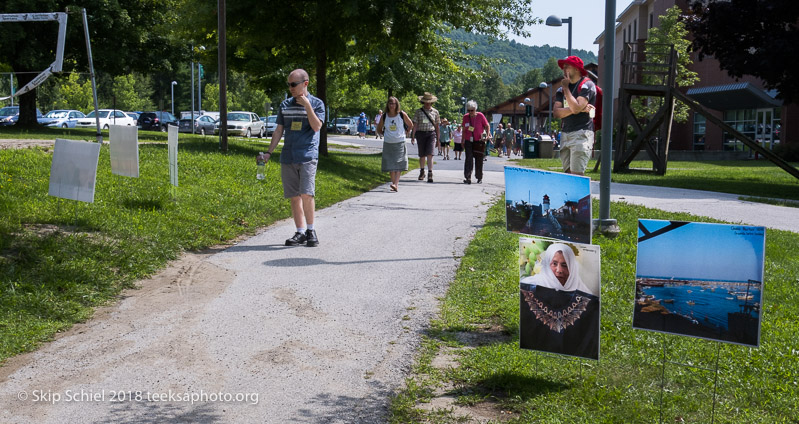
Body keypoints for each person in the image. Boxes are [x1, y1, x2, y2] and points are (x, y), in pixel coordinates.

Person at [260, 69, 325, 247]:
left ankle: (311, 230)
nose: (291, 88)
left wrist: (307, 106)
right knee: (294, 196)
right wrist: (268, 152)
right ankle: (300, 232)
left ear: (305, 83)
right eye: (289, 85)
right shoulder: (285, 105)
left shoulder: (317, 104)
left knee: (306, 193)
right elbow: (279, 130)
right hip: (288, 156)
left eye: (293, 84)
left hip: (307, 155)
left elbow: (317, 126)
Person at [519, 243, 599, 359]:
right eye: (554, 264)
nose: (559, 270)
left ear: (572, 267)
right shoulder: (528, 288)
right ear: (547, 265)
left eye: (564, 265)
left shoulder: (587, 299)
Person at [553, 56, 597, 175]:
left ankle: (584, 194)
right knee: (568, 175)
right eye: (563, 66)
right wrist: (579, 108)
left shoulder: (587, 85)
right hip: (565, 134)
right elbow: (556, 113)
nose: (564, 68)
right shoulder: (559, 90)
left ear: (577, 69)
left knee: (577, 175)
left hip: (581, 133)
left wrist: (567, 89)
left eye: (567, 66)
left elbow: (576, 108)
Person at [376, 96, 413, 192]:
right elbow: (379, 128)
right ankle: (394, 184)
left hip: (400, 141)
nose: (392, 105)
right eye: (390, 103)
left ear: (397, 104)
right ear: (387, 105)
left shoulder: (401, 114)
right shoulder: (384, 116)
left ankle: (395, 184)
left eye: (394, 103)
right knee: (390, 164)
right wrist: (385, 134)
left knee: (399, 163)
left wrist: (406, 132)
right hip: (388, 142)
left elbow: (410, 124)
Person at [411, 92, 441, 183]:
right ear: (423, 102)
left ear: (432, 102)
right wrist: (413, 135)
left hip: (431, 134)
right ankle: (422, 171)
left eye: (429, 102)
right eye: (425, 102)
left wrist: (438, 140)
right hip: (420, 134)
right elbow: (415, 124)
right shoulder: (418, 112)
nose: (427, 104)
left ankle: (430, 173)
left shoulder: (435, 112)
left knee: (430, 154)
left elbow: (437, 127)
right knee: (422, 154)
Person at [461, 100, 491, 184]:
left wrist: (487, 135)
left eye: (472, 110)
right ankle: (468, 177)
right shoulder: (465, 117)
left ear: (475, 109)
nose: (470, 112)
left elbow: (487, 125)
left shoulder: (480, 116)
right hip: (468, 141)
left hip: (479, 141)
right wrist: (462, 140)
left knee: (479, 159)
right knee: (469, 158)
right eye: (469, 110)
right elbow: (464, 130)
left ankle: (479, 177)